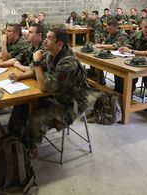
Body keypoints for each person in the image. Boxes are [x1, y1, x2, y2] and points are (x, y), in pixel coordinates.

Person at [8, 27, 89, 156]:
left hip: (71, 104)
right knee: (22, 104)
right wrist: (19, 77)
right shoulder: (51, 53)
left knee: (36, 120)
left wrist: (37, 61)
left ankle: (29, 151)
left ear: (60, 44)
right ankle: (14, 142)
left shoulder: (68, 64)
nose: (45, 41)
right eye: (46, 37)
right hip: (57, 95)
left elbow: (43, 87)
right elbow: (35, 70)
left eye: (49, 38)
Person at [119, 18, 147, 96]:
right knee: (122, 71)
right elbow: (129, 43)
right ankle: (126, 95)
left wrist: (131, 51)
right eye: (145, 27)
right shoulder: (137, 33)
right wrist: (125, 48)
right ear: (141, 25)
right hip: (135, 61)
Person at [94, 19, 129, 92]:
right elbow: (104, 43)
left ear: (116, 27)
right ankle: (100, 82)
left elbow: (115, 46)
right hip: (111, 56)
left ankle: (119, 91)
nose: (108, 30)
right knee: (95, 61)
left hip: (121, 59)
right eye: (108, 29)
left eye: (110, 29)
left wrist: (101, 45)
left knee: (118, 70)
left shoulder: (122, 35)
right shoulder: (110, 34)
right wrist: (101, 45)